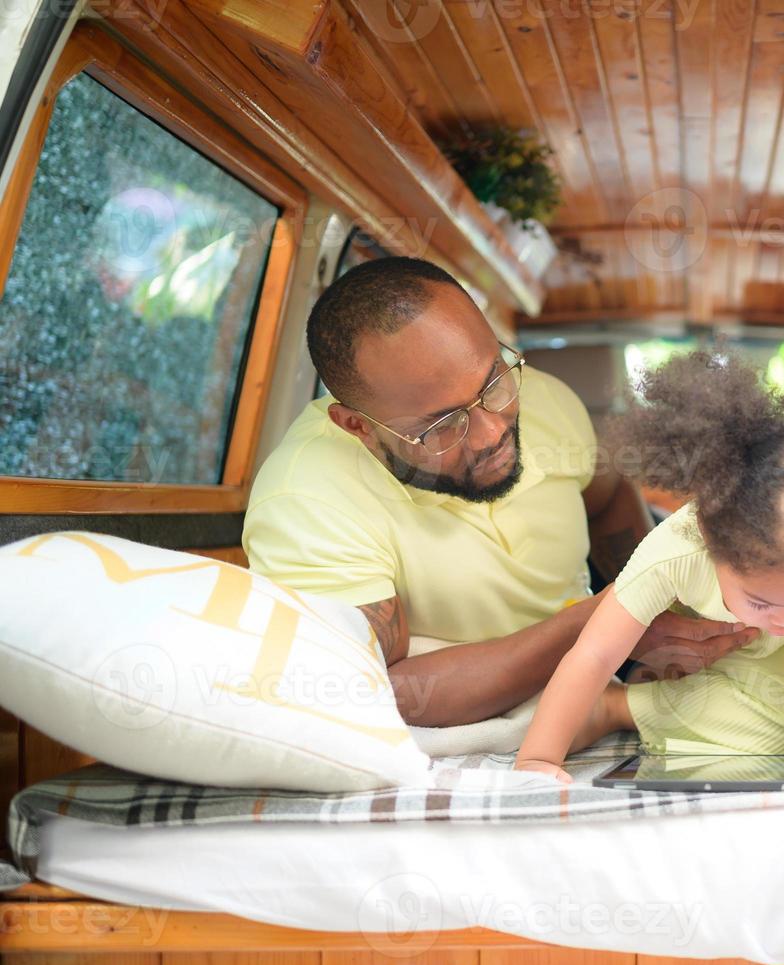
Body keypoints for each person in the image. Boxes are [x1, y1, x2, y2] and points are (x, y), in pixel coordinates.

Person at [243, 258, 756, 728]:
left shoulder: (548, 401)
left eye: (492, 383)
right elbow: (376, 692)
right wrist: (608, 622)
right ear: (356, 424)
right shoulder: (304, 502)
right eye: (441, 425)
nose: (491, 433)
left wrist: (658, 618)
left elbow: (606, 499)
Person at [513, 352, 784, 782]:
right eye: (762, 602)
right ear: (710, 541)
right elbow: (593, 655)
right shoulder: (676, 551)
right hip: (733, 655)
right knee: (781, 737)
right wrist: (538, 759)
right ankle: (615, 707)